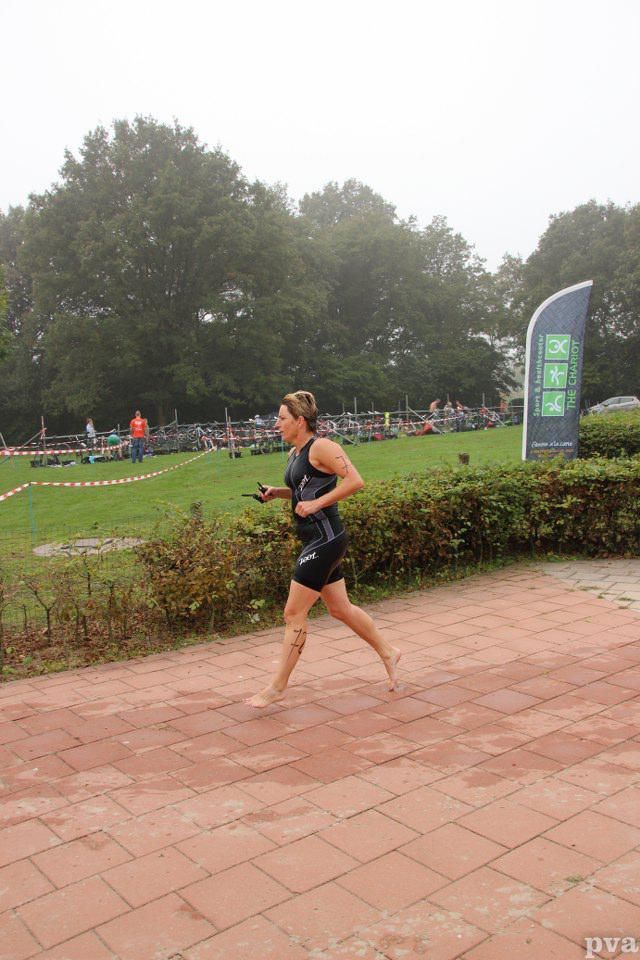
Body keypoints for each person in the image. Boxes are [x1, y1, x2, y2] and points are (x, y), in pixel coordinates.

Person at [246, 390, 401, 709]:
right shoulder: (296, 453)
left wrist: (317, 504)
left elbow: (355, 481)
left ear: (300, 421)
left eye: (282, 418)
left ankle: (277, 687)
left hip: (326, 540)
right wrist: (277, 493)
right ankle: (389, 652)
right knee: (340, 609)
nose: (277, 424)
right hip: (315, 539)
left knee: (293, 613)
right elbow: (302, 491)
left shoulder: (323, 447)